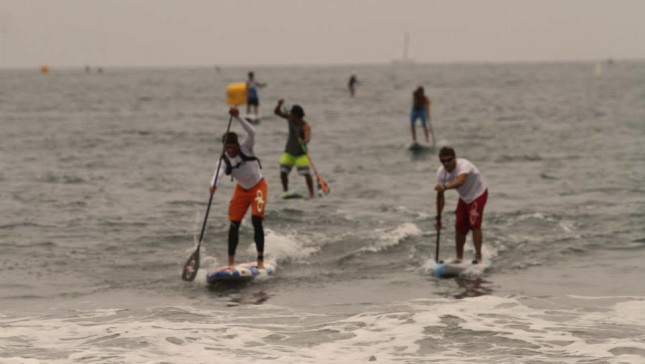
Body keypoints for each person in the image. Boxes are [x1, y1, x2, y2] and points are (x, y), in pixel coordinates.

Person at [210, 107, 267, 269]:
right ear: (224, 147)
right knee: (234, 224)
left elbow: (252, 132)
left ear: (237, 144)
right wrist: (214, 185)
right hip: (241, 189)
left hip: (258, 186)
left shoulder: (246, 148)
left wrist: (238, 118)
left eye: (233, 146)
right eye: (227, 147)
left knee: (256, 220)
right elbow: (218, 172)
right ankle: (231, 264)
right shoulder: (224, 160)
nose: (231, 150)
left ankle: (260, 261)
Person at [433, 146, 488, 263]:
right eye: (443, 161)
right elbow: (440, 197)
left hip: (478, 194)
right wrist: (438, 218)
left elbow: (460, 181)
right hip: (464, 198)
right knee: (459, 227)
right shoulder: (441, 173)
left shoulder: (463, 165)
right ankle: (459, 258)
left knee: (474, 224)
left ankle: (478, 257)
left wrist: (445, 187)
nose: (446, 164)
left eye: (449, 160)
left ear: (455, 158)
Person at [273, 99, 315, 198]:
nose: (290, 115)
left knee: (306, 174)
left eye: (291, 114)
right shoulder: (289, 119)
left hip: (301, 154)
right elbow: (276, 112)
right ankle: (285, 191)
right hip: (289, 152)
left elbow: (307, 136)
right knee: (283, 172)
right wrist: (278, 105)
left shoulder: (305, 126)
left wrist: (304, 141)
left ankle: (311, 194)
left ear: (296, 116)